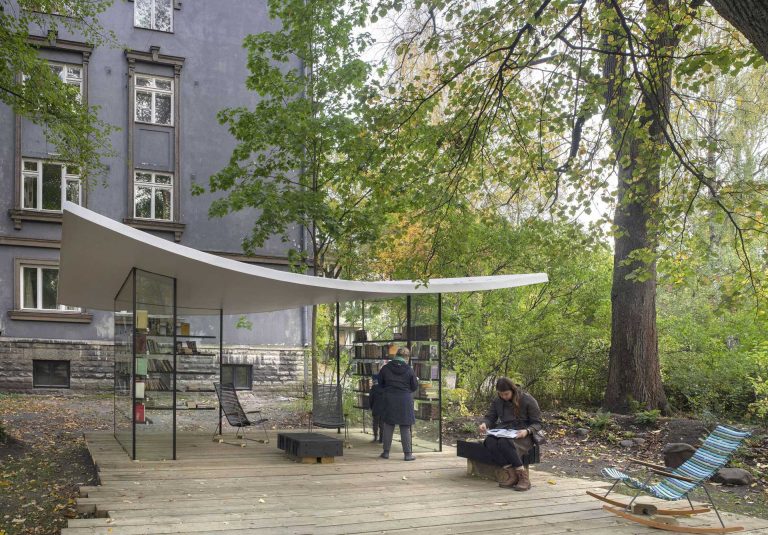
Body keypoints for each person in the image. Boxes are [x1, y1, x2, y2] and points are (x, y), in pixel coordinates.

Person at [478, 377, 542, 491]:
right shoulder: (497, 400)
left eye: (506, 394)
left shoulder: (527, 399)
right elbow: (490, 417)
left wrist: (526, 431)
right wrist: (485, 424)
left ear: (513, 390)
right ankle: (512, 475)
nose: (504, 397)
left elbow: (538, 423)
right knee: (490, 441)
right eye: (501, 394)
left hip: (524, 434)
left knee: (504, 442)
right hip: (505, 430)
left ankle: (523, 478)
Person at [378, 346, 418, 461]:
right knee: (405, 426)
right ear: (406, 357)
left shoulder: (386, 368)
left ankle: (386, 452)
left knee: (388, 425)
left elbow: (380, 383)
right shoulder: (409, 369)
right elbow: (414, 386)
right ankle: (408, 454)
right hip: (405, 400)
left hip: (389, 399)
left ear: (396, 355)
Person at [369, 373, 385, 443]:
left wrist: (371, 406)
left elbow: (371, 399)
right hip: (384, 409)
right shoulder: (384, 388)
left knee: (375, 423)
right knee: (382, 424)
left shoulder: (373, 388)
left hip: (376, 408)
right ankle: (381, 439)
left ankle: (375, 437)